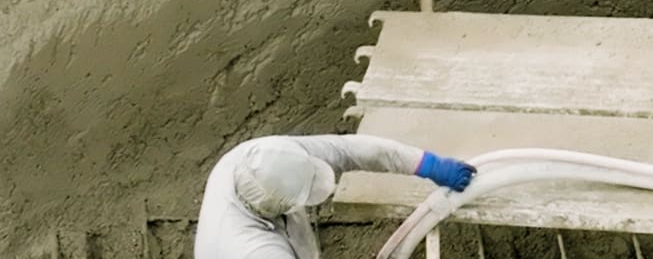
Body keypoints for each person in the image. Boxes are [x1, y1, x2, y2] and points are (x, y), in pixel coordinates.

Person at [194, 134, 476, 258]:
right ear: (279, 208)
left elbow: (348, 150)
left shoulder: (266, 155)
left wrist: (427, 164)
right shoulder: (254, 251)